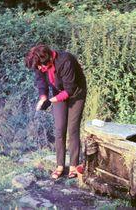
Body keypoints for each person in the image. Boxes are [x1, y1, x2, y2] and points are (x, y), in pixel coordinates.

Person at [25, 44, 87, 179]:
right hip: (58, 91)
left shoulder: (66, 61)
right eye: (38, 68)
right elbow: (41, 82)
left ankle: (73, 166)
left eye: (41, 67)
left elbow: (70, 90)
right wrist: (43, 98)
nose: (40, 69)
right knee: (59, 128)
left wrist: (51, 101)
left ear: (48, 59)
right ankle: (60, 165)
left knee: (73, 129)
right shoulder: (39, 63)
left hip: (76, 93)